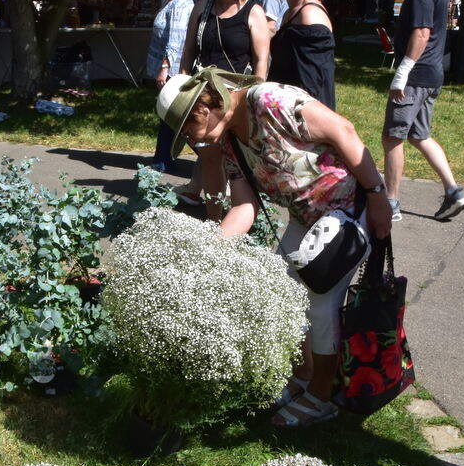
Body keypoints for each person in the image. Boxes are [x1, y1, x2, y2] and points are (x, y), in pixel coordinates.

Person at [155, 68, 392, 427]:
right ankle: (303, 373)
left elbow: (343, 131)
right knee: (280, 291)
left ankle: (322, 395)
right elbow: (243, 208)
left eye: (187, 127)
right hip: (308, 217)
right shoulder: (231, 141)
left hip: (348, 209)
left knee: (319, 302)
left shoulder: (269, 101)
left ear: (206, 105)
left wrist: (377, 195)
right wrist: (207, 251)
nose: (188, 137)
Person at [382, 0, 464, 222]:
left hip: (417, 75)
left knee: (392, 136)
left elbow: (422, 33)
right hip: (432, 74)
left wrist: (402, 73)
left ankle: (390, 203)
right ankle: (454, 192)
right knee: (420, 135)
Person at [177, 0, 270, 212]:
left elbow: (262, 60)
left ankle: (241, 218)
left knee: (237, 162)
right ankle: (214, 218)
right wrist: (182, 85)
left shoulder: (253, 12)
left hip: (238, 97)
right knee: (209, 158)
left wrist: (255, 96)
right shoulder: (202, 9)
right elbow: (188, 52)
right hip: (204, 98)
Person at [268, 0, 335, 108]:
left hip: (303, 114)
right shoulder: (292, 12)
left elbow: (311, 85)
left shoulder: (309, 15)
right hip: (287, 108)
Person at [144, 0, 195, 172]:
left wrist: (165, 67)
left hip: (173, 70)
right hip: (171, 69)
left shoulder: (182, 4)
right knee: (171, 115)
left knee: (175, 115)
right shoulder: (173, 3)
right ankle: (163, 159)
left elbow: (176, 39)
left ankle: (164, 161)